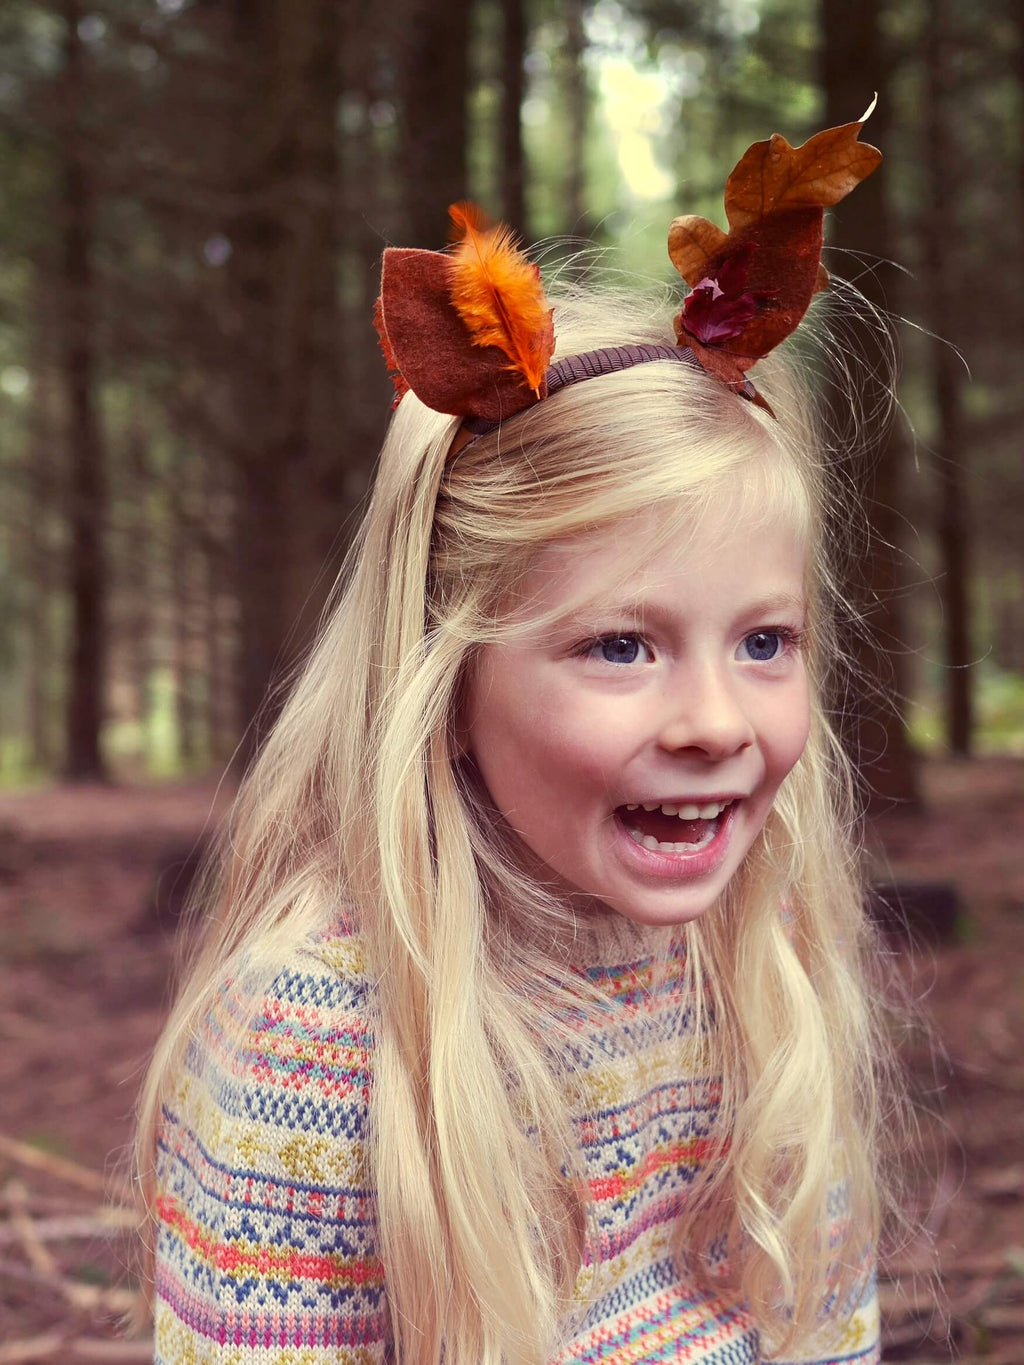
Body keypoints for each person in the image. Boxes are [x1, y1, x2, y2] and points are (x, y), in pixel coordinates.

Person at [136, 113, 900, 1365]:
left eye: (764, 642)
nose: (716, 723)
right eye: (619, 647)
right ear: (448, 668)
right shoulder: (324, 1051)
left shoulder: (757, 971)